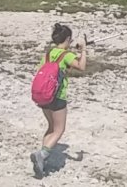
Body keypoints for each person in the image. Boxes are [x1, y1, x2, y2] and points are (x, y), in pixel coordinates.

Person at [31, 23, 87, 178]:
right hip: (58, 97)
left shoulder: (48, 54)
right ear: (68, 39)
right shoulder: (66, 55)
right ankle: (41, 155)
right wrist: (83, 50)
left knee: (51, 127)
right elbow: (81, 67)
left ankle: (43, 161)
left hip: (43, 96)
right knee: (59, 129)